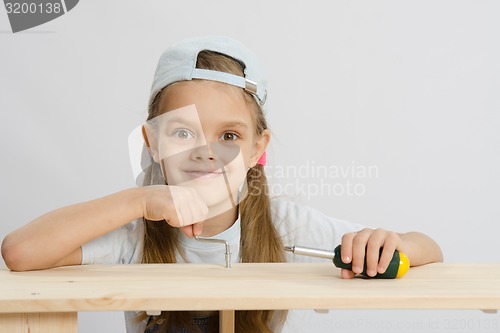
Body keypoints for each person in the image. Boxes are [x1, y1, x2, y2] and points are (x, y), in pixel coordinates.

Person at [1, 35, 443, 333]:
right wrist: (138, 199)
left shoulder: (283, 227)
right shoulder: (136, 233)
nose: (206, 152)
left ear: (257, 149)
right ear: (151, 143)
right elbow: (20, 252)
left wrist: (384, 243)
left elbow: (428, 250)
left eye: (229, 136)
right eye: (182, 132)